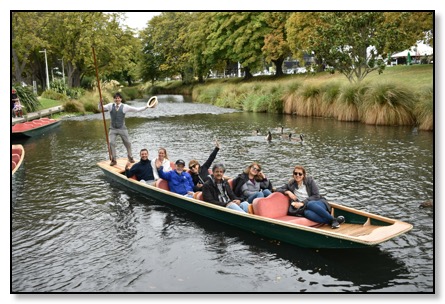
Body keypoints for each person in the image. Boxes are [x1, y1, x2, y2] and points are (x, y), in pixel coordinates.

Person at [276, 165, 345, 229]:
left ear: (303, 175)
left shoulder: (310, 181)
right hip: (305, 208)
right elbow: (277, 189)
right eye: (295, 173)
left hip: (318, 203)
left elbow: (316, 195)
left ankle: (333, 219)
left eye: (300, 174)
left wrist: (303, 203)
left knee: (310, 204)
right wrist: (288, 192)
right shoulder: (290, 184)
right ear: (293, 174)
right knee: (307, 213)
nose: (297, 175)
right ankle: (332, 221)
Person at [99, 92, 156, 166]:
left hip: (122, 128)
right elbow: (101, 108)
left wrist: (146, 107)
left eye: (118, 98)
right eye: (116, 98)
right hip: (113, 129)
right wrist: (100, 103)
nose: (117, 99)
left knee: (128, 143)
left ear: (121, 99)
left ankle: (130, 157)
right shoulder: (110, 106)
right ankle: (114, 160)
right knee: (111, 143)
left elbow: (137, 109)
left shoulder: (125, 107)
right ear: (114, 99)